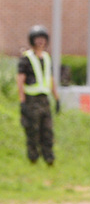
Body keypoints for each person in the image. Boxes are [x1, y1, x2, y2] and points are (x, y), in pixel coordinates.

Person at [16, 25, 57, 166]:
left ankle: (49, 158)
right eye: (37, 39)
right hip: (31, 100)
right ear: (32, 40)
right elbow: (20, 82)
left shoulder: (46, 58)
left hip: (44, 100)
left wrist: (56, 98)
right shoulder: (26, 59)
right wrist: (22, 102)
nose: (40, 42)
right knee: (32, 131)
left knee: (47, 131)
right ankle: (33, 158)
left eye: (43, 39)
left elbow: (50, 79)